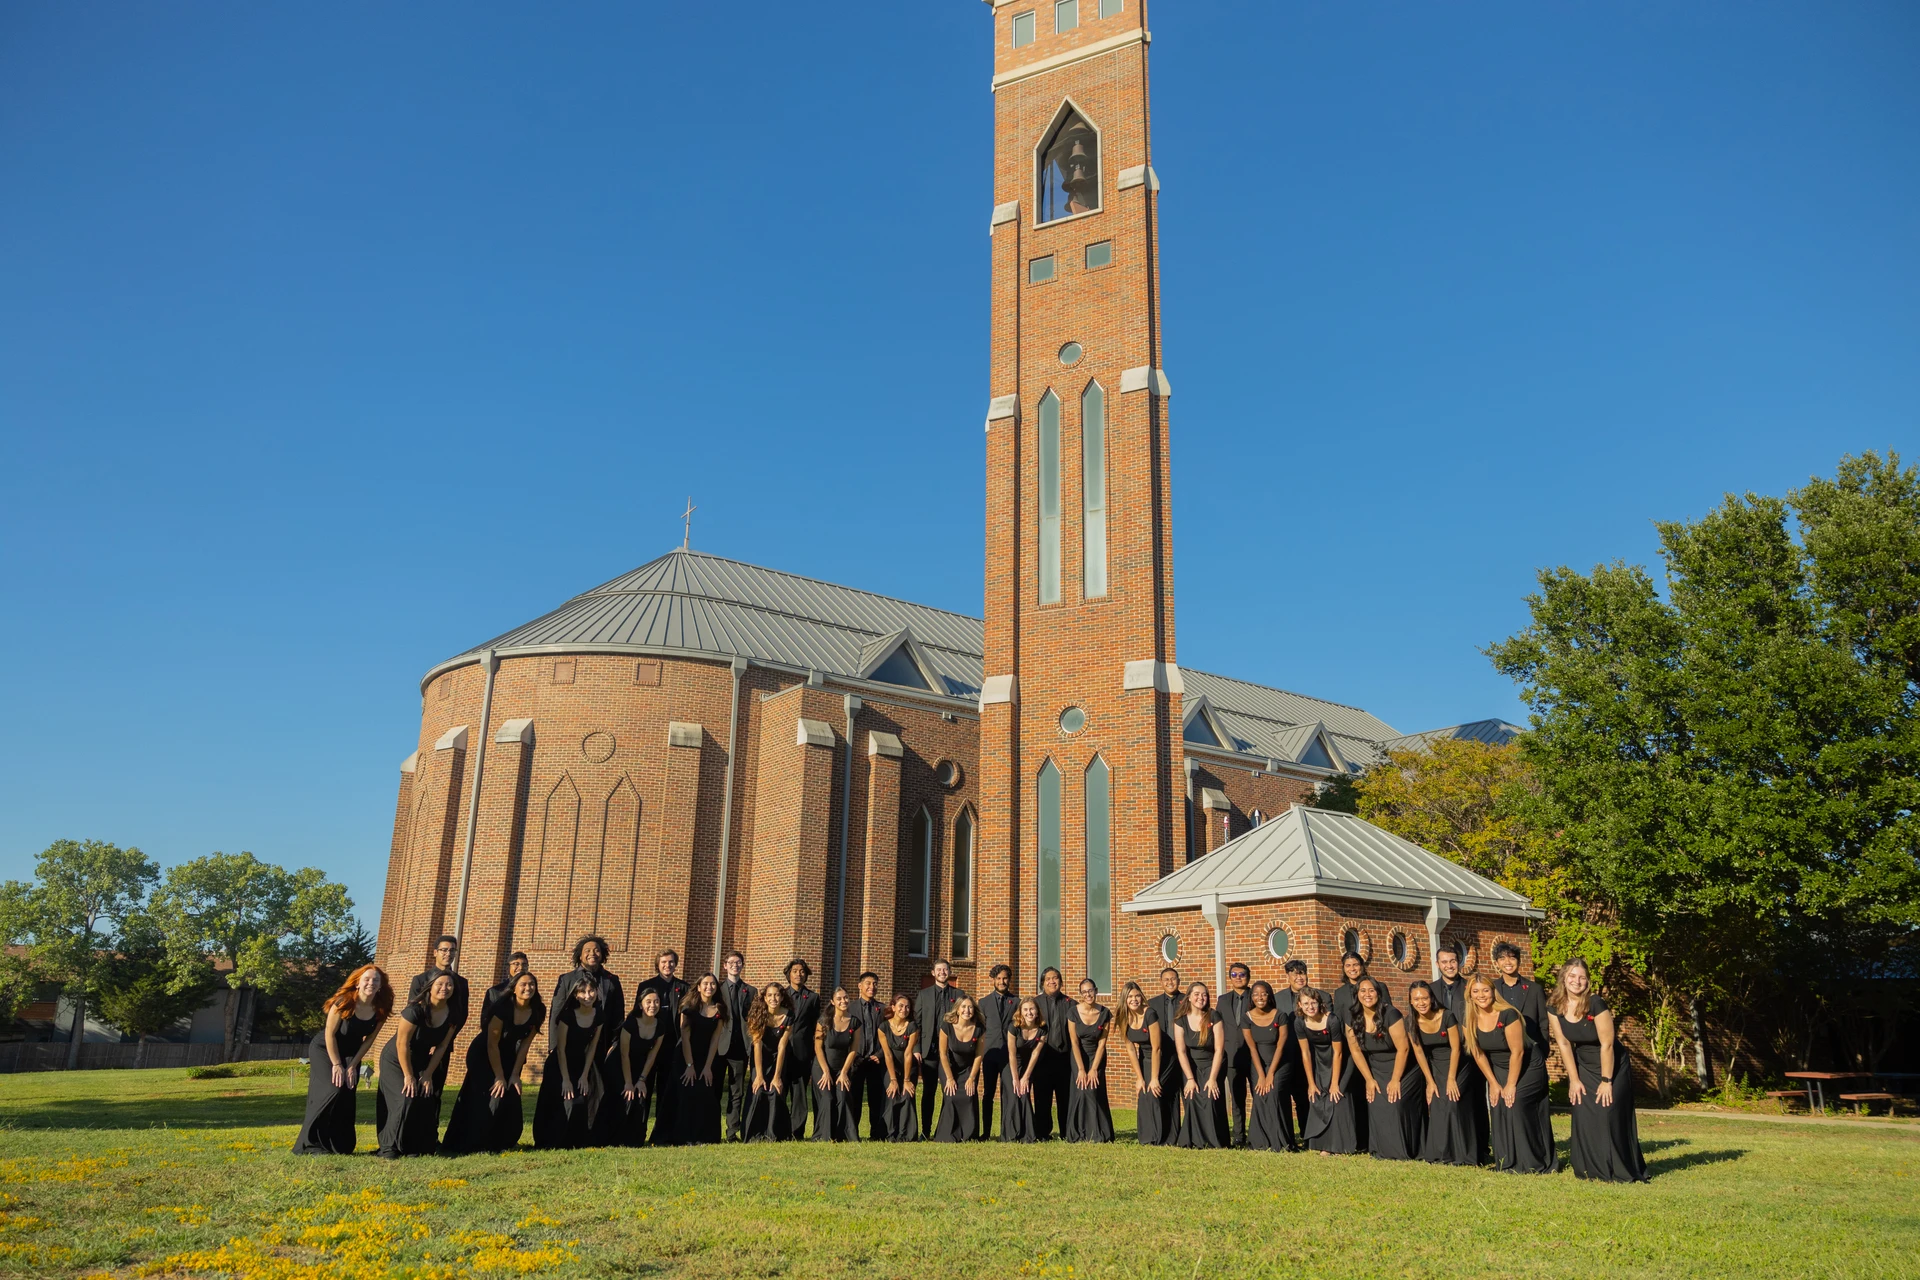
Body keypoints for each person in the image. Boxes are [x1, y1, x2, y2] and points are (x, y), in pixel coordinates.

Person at [1550, 959, 1648, 1182]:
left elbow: (1608, 1044)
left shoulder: (1596, 1003)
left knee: (1608, 1113)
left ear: (1588, 981)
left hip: (1612, 1065)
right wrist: (1574, 1080)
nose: (1577, 981)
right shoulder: (1554, 1007)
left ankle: (1618, 1169)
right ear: (1564, 978)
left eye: (1582, 977)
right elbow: (1564, 1044)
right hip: (1583, 1066)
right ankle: (1589, 1169)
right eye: (1572, 976)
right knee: (1585, 1116)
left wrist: (1607, 1080)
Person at [441, 970, 543, 1155]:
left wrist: (514, 1075)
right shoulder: (502, 1008)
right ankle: (474, 1144)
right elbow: (491, 1044)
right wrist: (499, 1076)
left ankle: (501, 1142)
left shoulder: (537, 1010)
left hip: (509, 1056)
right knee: (488, 1096)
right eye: (523, 985)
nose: (528, 988)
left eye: (531, 985)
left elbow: (525, 1046)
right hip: (483, 1054)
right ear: (513, 989)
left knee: (511, 1094)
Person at [293, 964, 390, 1155]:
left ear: (381, 986)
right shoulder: (343, 1002)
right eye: (367, 979)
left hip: (351, 1053)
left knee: (346, 1094)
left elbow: (369, 1040)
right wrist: (337, 1064)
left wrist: (353, 1065)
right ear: (357, 983)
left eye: (376, 980)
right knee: (332, 1090)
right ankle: (310, 1144)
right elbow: (330, 1034)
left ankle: (338, 1145)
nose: (371, 983)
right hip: (325, 1048)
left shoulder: (380, 1009)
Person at [1466, 973, 1556, 1174]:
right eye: (1476, 991)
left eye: (1486, 990)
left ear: (1493, 992)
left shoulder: (1509, 1014)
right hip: (1498, 1070)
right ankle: (1506, 1161)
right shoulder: (1470, 1019)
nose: (1481, 995)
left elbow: (1518, 1051)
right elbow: (1478, 1054)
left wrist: (1511, 1085)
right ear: (1470, 995)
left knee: (1516, 1103)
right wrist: (1494, 1084)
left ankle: (1532, 1163)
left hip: (1527, 1066)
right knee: (1498, 1105)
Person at [376, 972, 457, 1158]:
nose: (445, 988)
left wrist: (427, 1074)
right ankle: (390, 1148)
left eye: (449, 985)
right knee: (405, 1098)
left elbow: (442, 1046)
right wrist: (408, 1075)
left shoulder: (453, 1014)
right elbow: (401, 1043)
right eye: (440, 984)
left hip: (422, 1060)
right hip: (396, 1059)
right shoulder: (415, 1010)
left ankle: (414, 1147)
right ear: (430, 986)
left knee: (425, 1099)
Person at [1345, 977, 1421, 1160]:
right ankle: (1382, 1151)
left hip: (1403, 1067)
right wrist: (1369, 1080)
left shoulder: (1391, 1014)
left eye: (1371, 990)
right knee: (1377, 1103)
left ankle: (1404, 1151)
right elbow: (1355, 1051)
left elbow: (1404, 1048)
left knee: (1396, 1103)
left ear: (1378, 994)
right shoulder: (1351, 1016)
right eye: (1362, 991)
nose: (1367, 995)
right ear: (1357, 995)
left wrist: (1395, 1080)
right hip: (1376, 1068)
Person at [1427, 943, 1489, 1164]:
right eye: (1444, 962)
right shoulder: (1430, 990)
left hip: (1470, 1052)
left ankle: (1480, 1147)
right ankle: (1450, 1148)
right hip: (1442, 1055)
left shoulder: (1470, 988)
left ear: (1459, 963)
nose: (1449, 965)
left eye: (1453, 961)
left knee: (1475, 1102)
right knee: (1448, 1102)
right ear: (1437, 964)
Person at [534, 974, 608, 1149]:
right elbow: (560, 1049)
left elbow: (592, 1047)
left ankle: (575, 1141)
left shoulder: (599, 1015)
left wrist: (584, 1075)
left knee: (582, 1100)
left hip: (580, 1063)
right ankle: (550, 1141)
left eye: (591, 991)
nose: (588, 995)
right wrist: (566, 1079)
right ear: (575, 995)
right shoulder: (567, 1016)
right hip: (559, 1064)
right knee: (563, 1100)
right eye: (582, 992)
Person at [1406, 980, 1475, 1166]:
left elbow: (1456, 1048)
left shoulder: (1447, 1016)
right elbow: (1419, 1052)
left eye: (1425, 998)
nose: (1421, 1002)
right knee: (1437, 1104)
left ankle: (1463, 1156)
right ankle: (1441, 1154)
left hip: (1458, 1064)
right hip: (1436, 1066)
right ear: (1411, 1001)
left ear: (1431, 998)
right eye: (1416, 999)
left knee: (1453, 1103)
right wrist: (1430, 1082)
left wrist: (1452, 1078)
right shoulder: (1411, 1022)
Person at [406, 935, 471, 1095]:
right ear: (435, 952)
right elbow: (412, 1012)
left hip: (443, 1044)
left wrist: (445, 1039)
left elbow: (461, 1015)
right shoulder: (420, 980)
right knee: (413, 1087)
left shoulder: (461, 983)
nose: (448, 953)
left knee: (435, 1090)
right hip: (419, 1044)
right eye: (444, 950)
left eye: (452, 950)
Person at [1296, 988, 1358, 1155]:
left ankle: (1341, 1147)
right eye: (1306, 1003)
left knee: (1337, 1098)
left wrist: (1335, 1083)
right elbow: (1305, 1053)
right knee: (1319, 1097)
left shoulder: (1332, 1020)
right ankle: (1324, 1145)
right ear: (1300, 1005)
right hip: (1319, 1061)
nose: (1310, 1007)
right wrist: (1310, 1083)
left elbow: (1338, 1052)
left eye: (1313, 1003)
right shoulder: (1300, 1022)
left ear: (1320, 1003)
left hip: (1341, 1061)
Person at [673, 972, 729, 1145]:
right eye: (705, 984)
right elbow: (685, 1037)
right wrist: (690, 1065)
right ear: (698, 987)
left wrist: (707, 1067)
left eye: (713, 984)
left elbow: (715, 1040)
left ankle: (704, 1137)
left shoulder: (720, 1009)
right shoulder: (688, 1007)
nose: (709, 987)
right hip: (685, 1055)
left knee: (706, 1095)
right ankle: (684, 1137)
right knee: (687, 1095)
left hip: (708, 1058)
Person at [1172, 981, 1228, 1150]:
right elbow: (1181, 1051)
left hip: (1213, 1064)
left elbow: (1219, 1050)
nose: (1200, 998)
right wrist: (1190, 1078)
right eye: (1196, 994)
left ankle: (1214, 1141)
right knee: (1192, 1098)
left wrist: (1212, 1079)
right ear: (1189, 997)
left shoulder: (1214, 1016)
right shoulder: (1180, 1021)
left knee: (1210, 1099)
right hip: (1191, 1066)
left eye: (1204, 995)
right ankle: (1194, 1140)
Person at [1116, 981, 1172, 1145]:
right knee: (1143, 1093)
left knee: (1154, 1092)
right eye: (1130, 997)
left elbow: (1157, 1048)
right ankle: (1146, 1137)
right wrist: (1139, 1077)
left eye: (1137, 996)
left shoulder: (1150, 1014)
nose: (1134, 1000)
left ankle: (1160, 1138)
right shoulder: (1124, 1017)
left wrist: (1154, 1078)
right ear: (1125, 1000)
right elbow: (1131, 1049)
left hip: (1164, 1056)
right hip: (1144, 1057)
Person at [640, 949, 690, 1136]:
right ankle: (639, 1129)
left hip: (672, 1047)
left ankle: (662, 1132)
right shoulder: (646, 985)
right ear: (658, 964)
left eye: (670, 962)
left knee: (666, 1091)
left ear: (675, 964)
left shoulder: (684, 988)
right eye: (663, 962)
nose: (667, 965)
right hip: (649, 1045)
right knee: (644, 1088)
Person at [1239, 980, 1292, 1153]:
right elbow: (1252, 1048)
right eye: (1255, 994)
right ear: (1251, 997)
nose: (1259, 997)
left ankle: (1280, 1142)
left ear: (1269, 995)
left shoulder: (1280, 1015)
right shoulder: (1247, 1017)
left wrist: (1270, 1074)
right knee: (1260, 1095)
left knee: (1274, 1092)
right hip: (1258, 1065)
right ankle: (1259, 1141)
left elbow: (1280, 1046)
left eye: (1263, 993)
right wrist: (1261, 1075)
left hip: (1279, 1064)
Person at [614, 987, 670, 1147]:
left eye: (656, 1001)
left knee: (641, 1099)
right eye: (648, 1002)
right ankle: (618, 1137)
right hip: (620, 1065)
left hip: (642, 1066)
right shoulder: (630, 1024)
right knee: (627, 1097)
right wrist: (629, 1082)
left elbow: (653, 1055)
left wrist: (641, 1079)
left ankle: (635, 1139)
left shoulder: (660, 1026)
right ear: (640, 1005)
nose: (653, 1005)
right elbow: (624, 1055)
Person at [913, 959, 962, 1138]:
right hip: (929, 1052)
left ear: (949, 972)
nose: (942, 972)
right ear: (933, 973)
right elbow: (916, 1023)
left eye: (945, 969)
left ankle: (946, 1130)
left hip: (950, 1053)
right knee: (928, 1092)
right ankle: (925, 1131)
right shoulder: (923, 995)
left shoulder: (959, 994)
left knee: (949, 1091)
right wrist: (916, 1048)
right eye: (939, 969)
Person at [743, 983, 795, 1142]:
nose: (774, 998)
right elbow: (757, 1045)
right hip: (760, 1058)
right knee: (758, 1090)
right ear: (764, 998)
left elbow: (782, 1046)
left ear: (782, 997)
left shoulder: (789, 1016)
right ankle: (753, 1133)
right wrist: (758, 1075)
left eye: (777, 995)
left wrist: (777, 1075)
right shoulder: (757, 1015)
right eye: (770, 995)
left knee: (775, 1090)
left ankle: (774, 1133)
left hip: (778, 1058)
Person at [1064, 978, 1113, 1143]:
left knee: (1094, 1091)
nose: (1088, 994)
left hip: (1097, 1057)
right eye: (1084, 992)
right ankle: (1078, 1132)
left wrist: (1093, 1069)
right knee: (1081, 1091)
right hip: (1078, 1056)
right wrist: (1081, 1069)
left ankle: (1099, 1133)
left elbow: (1102, 1043)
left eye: (1090, 990)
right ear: (1081, 994)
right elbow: (1074, 1042)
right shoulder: (1072, 1012)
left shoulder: (1105, 1013)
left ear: (1096, 990)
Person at [550, 935, 625, 1043]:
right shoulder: (566, 979)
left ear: (602, 954)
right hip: (572, 1040)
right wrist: (554, 1045)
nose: (592, 954)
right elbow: (556, 1013)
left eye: (596, 950)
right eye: (587, 950)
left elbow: (618, 1015)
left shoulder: (612, 980)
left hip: (603, 1042)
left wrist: (615, 1043)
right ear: (580, 956)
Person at [812, 986, 863, 1142]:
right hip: (822, 1067)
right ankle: (824, 1136)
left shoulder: (855, 1022)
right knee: (828, 1098)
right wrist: (826, 1071)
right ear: (832, 1002)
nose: (843, 1001)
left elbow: (853, 1050)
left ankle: (843, 1136)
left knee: (843, 1095)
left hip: (843, 1069)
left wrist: (844, 1072)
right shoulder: (824, 1021)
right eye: (839, 998)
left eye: (846, 997)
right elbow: (818, 1047)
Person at [718, 951, 758, 1141]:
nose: (735, 965)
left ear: (742, 966)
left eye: (739, 962)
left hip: (740, 1047)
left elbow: (753, 1018)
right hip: (718, 1047)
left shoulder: (750, 991)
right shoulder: (716, 989)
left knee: (737, 1092)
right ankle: (711, 1130)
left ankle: (732, 1132)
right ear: (724, 965)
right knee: (714, 1090)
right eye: (731, 962)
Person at [976, 964, 1019, 1141]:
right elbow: (980, 1029)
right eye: (999, 978)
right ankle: (985, 1133)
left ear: (1009, 979)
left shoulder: (1017, 1002)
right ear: (993, 979)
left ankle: (1007, 1132)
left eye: (1005, 978)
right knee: (988, 1093)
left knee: (1009, 1093)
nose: (1002, 981)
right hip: (990, 1052)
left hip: (1009, 1054)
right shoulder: (983, 1003)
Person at [1142, 966, 1184, 1145]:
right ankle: (1167, 1135)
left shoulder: (1188, 1000)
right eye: (1166, 979)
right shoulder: (1152, 1004)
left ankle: (1187, 1135)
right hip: (1163, 1056)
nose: (1170, 982)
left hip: (1185, 1055)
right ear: (1161, 982)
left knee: (1187, 1095)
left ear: (1178, 981)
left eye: (1173, 978)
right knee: (1166, 1095)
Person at [935, 994, 985, 1142]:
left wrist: (971, 1078)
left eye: (970, 1007)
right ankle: (947, 1135)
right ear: (957, 1009)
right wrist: (949, 1078)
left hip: (969, 1068)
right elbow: (943, 1054)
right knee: (951, 1096)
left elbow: (978, 1055)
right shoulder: (947, 1026)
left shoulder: (979, 1029)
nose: (967, 1010)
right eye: (963, 1007)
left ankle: (968, 1135)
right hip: (948, 1067)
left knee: (969, 1096)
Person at [1274, 959, 1312, 1149]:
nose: (1299, 977)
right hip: (1285, 1057)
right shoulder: (1278, 998)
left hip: (1310, 1057)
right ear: (1287, 976)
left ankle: (1308, 1137)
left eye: (1302, 973)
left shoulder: (1319, 996)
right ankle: (1288, 1139)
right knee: (1283, 1099)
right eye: (1295, 973)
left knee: (1305, 1099)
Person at [1216, 961, 1254, 1147]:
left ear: (1248, 977)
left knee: (1258, 1097)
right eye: (1234, 975)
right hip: (1231, 1055)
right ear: (1230, 978)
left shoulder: (1256, 997)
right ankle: (1239, 1136)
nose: (1238, 978)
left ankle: (1257, 1134)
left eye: (1242, 975)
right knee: (1237, 1099)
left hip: (1254, 1055)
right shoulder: (1222, 1000)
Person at [1492, 941, 1551, 1061]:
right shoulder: (1492, 989)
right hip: (1502, 1053)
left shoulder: (1534, 989)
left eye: (1512, 958)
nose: (1507, 962)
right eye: (1502, 958)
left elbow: (1543, 1022)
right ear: (1497, 963)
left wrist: (1543, 1051)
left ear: (1518, 961)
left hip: (1531, 1050)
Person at [783, 958, 822, 1139]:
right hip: (782, 1051)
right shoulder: (780, 995)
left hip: (803, 1052)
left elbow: (816, 1026)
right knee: (780, 1091)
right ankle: (779, 1129)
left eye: (802, 971)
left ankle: (796, 1132)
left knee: (799, 1094)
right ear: (789, 974)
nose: (799, 974)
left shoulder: (813, 998)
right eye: (795, 971)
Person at [1033, 967, 1073, 1139]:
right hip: (1042, 1058)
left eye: (1055, 978)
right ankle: (1042, 1132)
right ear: (1042, 983)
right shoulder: (1035, 1004)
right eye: (1048, 979)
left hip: (1065, 1058)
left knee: (1065, 1098)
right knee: (1042, 1098)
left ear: (1061, 982)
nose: (1052, 981)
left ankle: (1067, 1132)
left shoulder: (1071, 1004)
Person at [851, 971, 891, 1139]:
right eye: (868, 983)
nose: (871, 987)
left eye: (875, 984)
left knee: (876, 1099)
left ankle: (877, 1133)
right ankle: (852, 1133)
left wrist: (881, 1054)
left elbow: (889, 1035)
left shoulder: (882, 1009)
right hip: (857, 1060)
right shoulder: (850, 1007)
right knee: (854, 1098)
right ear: (860, 986)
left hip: (876, 1060)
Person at [876, 993, 920, 1143]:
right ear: (893, 1007)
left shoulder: (913, 1027)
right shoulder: (883, 1027)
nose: (904, 1009)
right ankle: (889, 1134)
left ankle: (906, 1134)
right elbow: (887, 1054)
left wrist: (906, 1080)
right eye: (901, 1006)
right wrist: (893, 1079)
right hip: (890, 1067)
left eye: (907, 1006)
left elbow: (908, 1054)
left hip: (909, 1067)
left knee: (907, 1094)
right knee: (892, 1093)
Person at [1001, 996, 1046, 1143]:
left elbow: (1035, 1053)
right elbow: (1011, 1053)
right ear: (1021, 1012)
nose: (1029, 1013)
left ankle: (1027, 1135)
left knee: (1024, 1094)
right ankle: (1011, 1134)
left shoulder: (1042, 1029)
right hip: (1012, 1066)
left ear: (1037, 1011)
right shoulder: (1014, 1027)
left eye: (1032, 1009)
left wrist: (1025, 1077)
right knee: (1015, 1094)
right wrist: (1015, 1078)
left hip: (1028, 1067)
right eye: (1025, 1010)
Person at [480, 951, 529, 1028]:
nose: (521, 967)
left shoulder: (530, 992)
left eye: (524, 964)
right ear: (508, 968)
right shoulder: (495, 992)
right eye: (516, 964)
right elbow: (485, 1020)